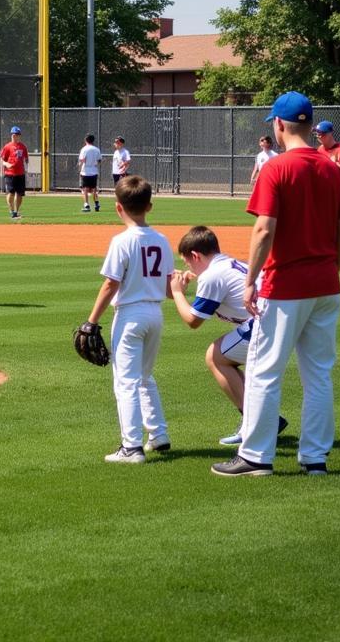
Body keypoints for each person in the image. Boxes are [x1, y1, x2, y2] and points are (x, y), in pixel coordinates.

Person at [212, 91, 340, 477]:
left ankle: (256, 456)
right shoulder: (331, 168)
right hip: (325, 283)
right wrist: (330, 270)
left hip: (286, 283)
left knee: (263, 370)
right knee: (319, 374)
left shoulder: (276, 168)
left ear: (278, 124)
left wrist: (250, 280)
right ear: (309, 124)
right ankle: (315, 458)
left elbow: (264, 229)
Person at [83, 175, 173, 463]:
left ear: (118, 208)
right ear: (150, 206)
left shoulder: (121, 241)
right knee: (145, 377)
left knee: (126, 382)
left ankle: (131, 447)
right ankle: (158, 434)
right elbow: (170, 287)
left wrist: (91, 321)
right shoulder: (161, 240)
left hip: (130, 315)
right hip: (156, 315)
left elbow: (111, 284)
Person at [169, 226, 287, 446]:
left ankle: (257, 422)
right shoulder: (228, 263)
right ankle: (261, 420)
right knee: (224, 356)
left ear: (195, 255)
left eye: (188, 261)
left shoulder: (212, 276)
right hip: (278, 316)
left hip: (263, 322)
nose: (188, 266)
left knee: (215, 357)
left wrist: (177, 292)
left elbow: (193, 321)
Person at [0, 126, 28, 219]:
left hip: (20, 173)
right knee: (11, 193)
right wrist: (7, 164)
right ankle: (11, 211)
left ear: (19, 136)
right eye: (13, 134)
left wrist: (26, 170)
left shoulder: (23, 147)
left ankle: (16, 211)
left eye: (17, 135)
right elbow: (2, 160)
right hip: (10, 173)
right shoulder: (7, 147)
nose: (15, 136)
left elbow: (26, 159)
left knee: (19, 194)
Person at [78, 133, 102, 212]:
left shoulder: (84, 149)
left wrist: (79, 166)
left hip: (86, 171)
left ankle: (86, 205)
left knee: (85, 189)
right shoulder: (96, 149)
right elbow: (99, 160)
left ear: (85, 140)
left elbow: (82, 160)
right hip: (94, 171)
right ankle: (96, 203)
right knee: (94, 189)